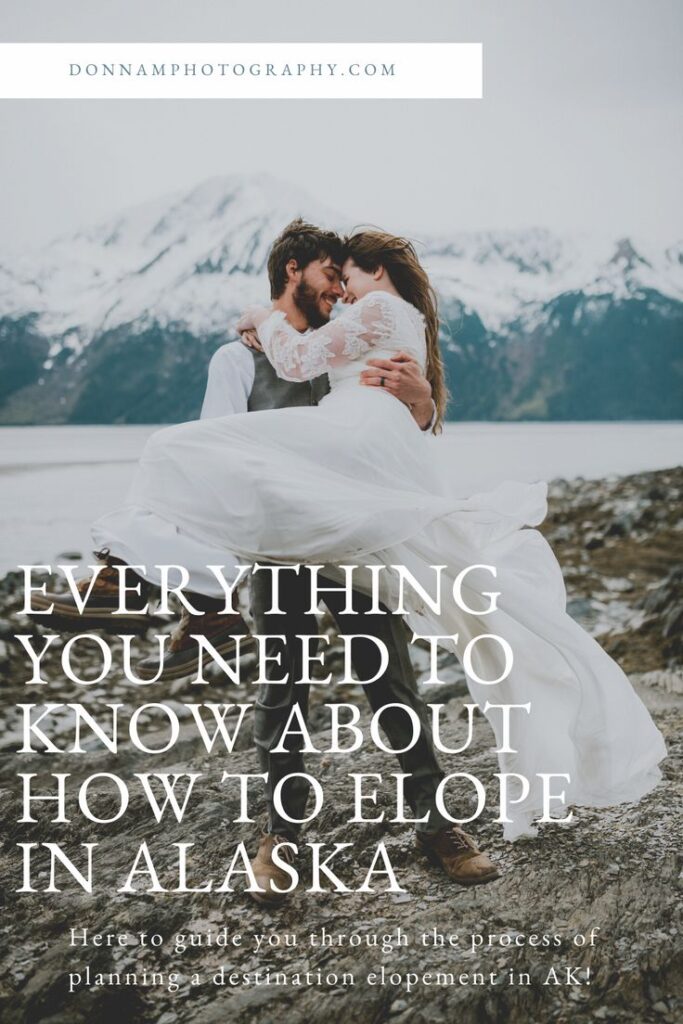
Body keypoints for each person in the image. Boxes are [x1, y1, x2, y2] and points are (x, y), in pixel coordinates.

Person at [32, 220, 501, 901]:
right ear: (292, 272)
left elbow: (402, 431)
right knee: (282, 691)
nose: (339, 288)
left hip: (358, 534)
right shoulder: (236, 359)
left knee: (390, 680)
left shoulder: (350, 332)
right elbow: (213, 461)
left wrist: (423, 401)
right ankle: (282, 839)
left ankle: (436, 825)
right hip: (278, 550)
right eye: (328, 276)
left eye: (345, 278)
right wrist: (211, 575)